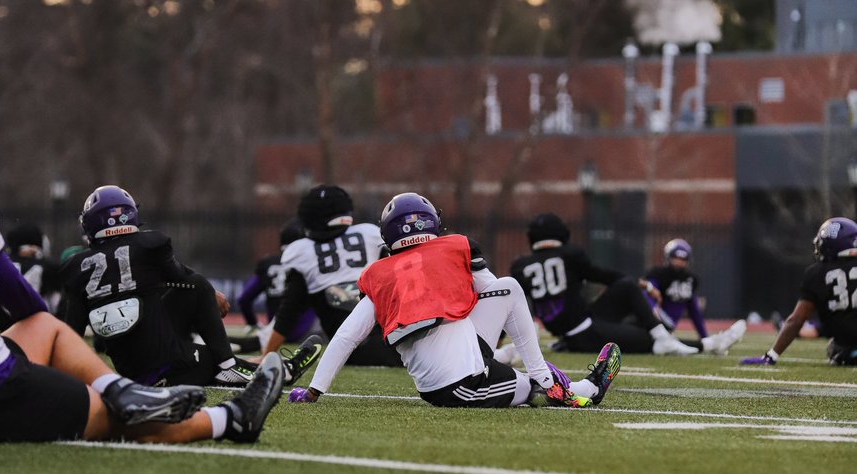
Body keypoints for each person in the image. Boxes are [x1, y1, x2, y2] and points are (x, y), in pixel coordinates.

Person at [0, 204, 284, 445]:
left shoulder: (77, 264)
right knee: (113, 416)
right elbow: (27, 307)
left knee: (51, 328)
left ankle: (124, 388)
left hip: (123, 352)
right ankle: (229, 419)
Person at [287, 192, 621, 409]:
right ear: (431, 222)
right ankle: (577, 388)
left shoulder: (381, 274)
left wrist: (315, 390)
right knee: (537, 386)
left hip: (462, 368)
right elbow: (498, 295)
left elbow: (346, 337)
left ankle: (553, 380)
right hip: (462, 386)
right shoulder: (453, 247)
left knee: (508, 291)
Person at [60, 185, 259, 390]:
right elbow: (187, 279)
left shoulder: (76, 266)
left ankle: (241, 366)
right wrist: (211, 292)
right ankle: (230, 365)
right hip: (165, 364)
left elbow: (70, 334)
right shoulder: (150, 245)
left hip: (129, 371)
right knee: (200, 290)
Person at [508, 212, 742, 358]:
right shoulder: (570, 254)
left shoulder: (520, 265)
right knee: (648, 340)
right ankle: (709, 344)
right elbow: (601, 274)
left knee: (628, 286)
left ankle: (664, 336)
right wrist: (646, 286)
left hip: (581, 323)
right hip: (584, 332)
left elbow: (511, 304)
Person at [262, 184, 401, 368]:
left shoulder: (302, 251)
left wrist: (267, 355)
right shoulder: (370, 234)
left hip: (350, 351)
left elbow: (289, 312)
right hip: (396, 344)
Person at [741, 216, 857, 367]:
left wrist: (771, 356)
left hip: (846, 341)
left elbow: (796, 320)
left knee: (835, 347)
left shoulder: (816, 273)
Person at [643, 238, 747, 355]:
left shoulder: (690, 280)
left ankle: (710, 343)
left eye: (683, 259)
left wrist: (704, 336)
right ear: (668, 257)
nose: (679, 262)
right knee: (661, 344)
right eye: (675, 258)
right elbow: (647, 296)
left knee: (666, 344)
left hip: (667, 328)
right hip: (652, 323)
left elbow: (694, 311)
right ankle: (713, 344)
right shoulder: (658, 274)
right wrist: (653, 312)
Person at [237, 218, 321, 353]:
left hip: (274, 333)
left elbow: (244, 299)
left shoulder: (269, 263)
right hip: (306, 333)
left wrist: (253, 323)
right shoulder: (312, 263)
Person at [4, 221, 61, 310]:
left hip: (5, 322)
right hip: (40, 320)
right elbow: (57, 303)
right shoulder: (48, 267)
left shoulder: (0, 266)